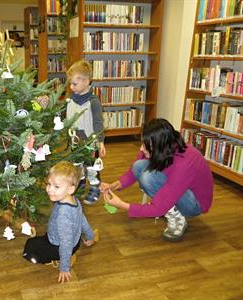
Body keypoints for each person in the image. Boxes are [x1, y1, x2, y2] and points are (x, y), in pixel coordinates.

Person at [101, 118, 213, 242]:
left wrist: (122, 205)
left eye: (145, 145)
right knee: (139, 165)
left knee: (148, 178)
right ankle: (171, 208)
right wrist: (114, 186)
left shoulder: (184, 162)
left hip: (194, 204)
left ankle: (177, 218)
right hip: (178, 188)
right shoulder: (160, 147)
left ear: (159, 146)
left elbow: (159, 208)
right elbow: (133, 172)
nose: (141, 149)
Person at [23, 161, 96, 283]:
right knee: (36, 242)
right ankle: (70, 254)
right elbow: (82, 219)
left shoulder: (63, 214)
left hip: (59, 246)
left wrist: (64, 268)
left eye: (56, 186)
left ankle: (61, 259)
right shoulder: (74, 200)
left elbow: (65, 242)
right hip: (75, 241)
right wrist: (90, 235)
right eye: (49, 184)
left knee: (29, 248)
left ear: (71, 189)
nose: (49, 189)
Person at [66, 60, 106, 205]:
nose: (71, 87)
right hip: (75, 140)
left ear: (87, 81)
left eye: (74, 84)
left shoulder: (93, 102)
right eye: (70, 83)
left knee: (91, 166)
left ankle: (95, 188)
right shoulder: (70, 100)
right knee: (77, 165)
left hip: (91, 141)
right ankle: (80, 186)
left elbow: (98, 123)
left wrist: (100, 142)